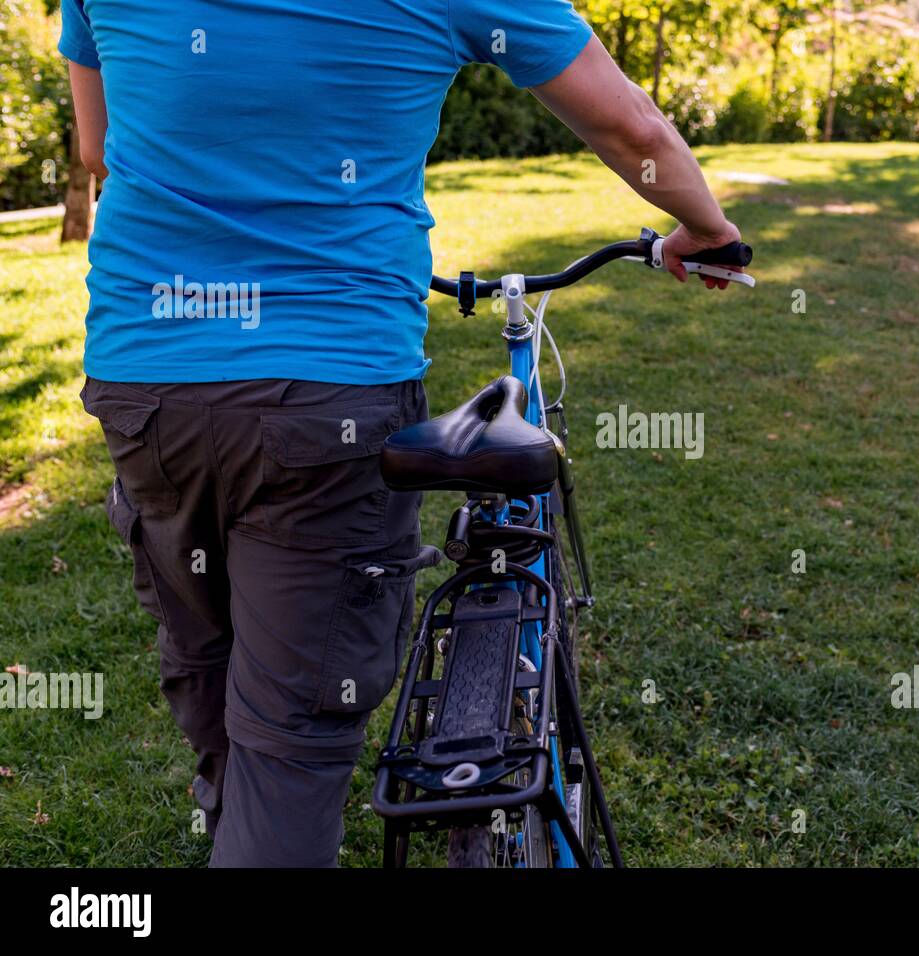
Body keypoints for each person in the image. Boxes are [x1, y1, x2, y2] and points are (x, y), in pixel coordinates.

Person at [60, 0, 743, 866]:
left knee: (209, 647)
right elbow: (626, 121)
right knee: (292, 741)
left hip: (144, 380)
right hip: (326, 387)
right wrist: (708, 227)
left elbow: (97, 147)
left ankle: (232, 802)